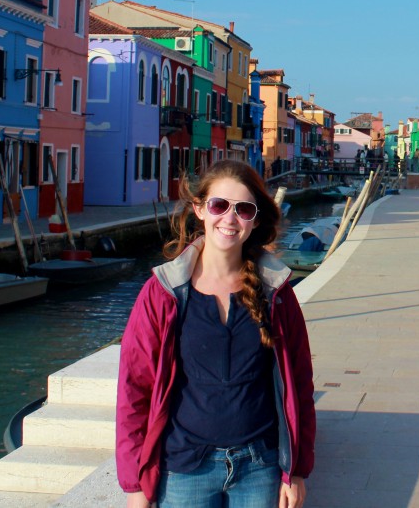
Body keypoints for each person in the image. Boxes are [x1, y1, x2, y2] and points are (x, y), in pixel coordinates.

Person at [116, 160, 315, 508]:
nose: (230, 218)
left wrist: (296, 471)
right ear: (200, 209)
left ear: (255, 219)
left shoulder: (277, 294)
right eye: (219, 205)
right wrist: (135, 485)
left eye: (244, 209)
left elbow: (299, 383)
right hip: (183, 469)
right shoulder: (163, 293)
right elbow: (135, 390)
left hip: (260, 467)